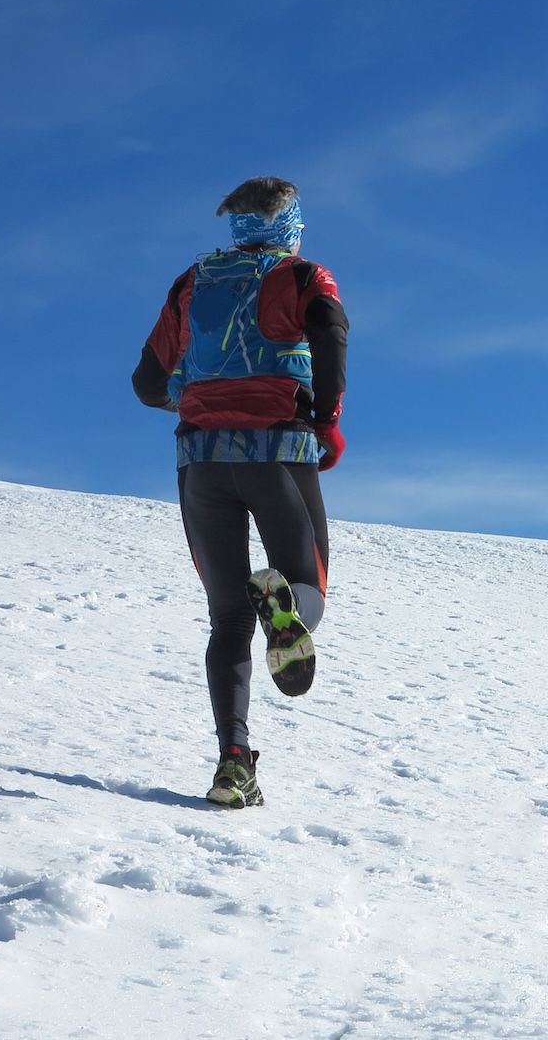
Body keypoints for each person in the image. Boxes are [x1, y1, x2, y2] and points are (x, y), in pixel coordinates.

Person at [131, 176, 348, 808]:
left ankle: (233, 764)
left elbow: (147, 382)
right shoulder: (303, 277)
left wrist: (193, 394)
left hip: (200, 461)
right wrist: (327, 419)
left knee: (227, 618)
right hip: (277, 451)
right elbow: (330, 331)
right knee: (310, 587)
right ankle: (284, 603)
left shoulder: (193, 283)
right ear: (290, 221)